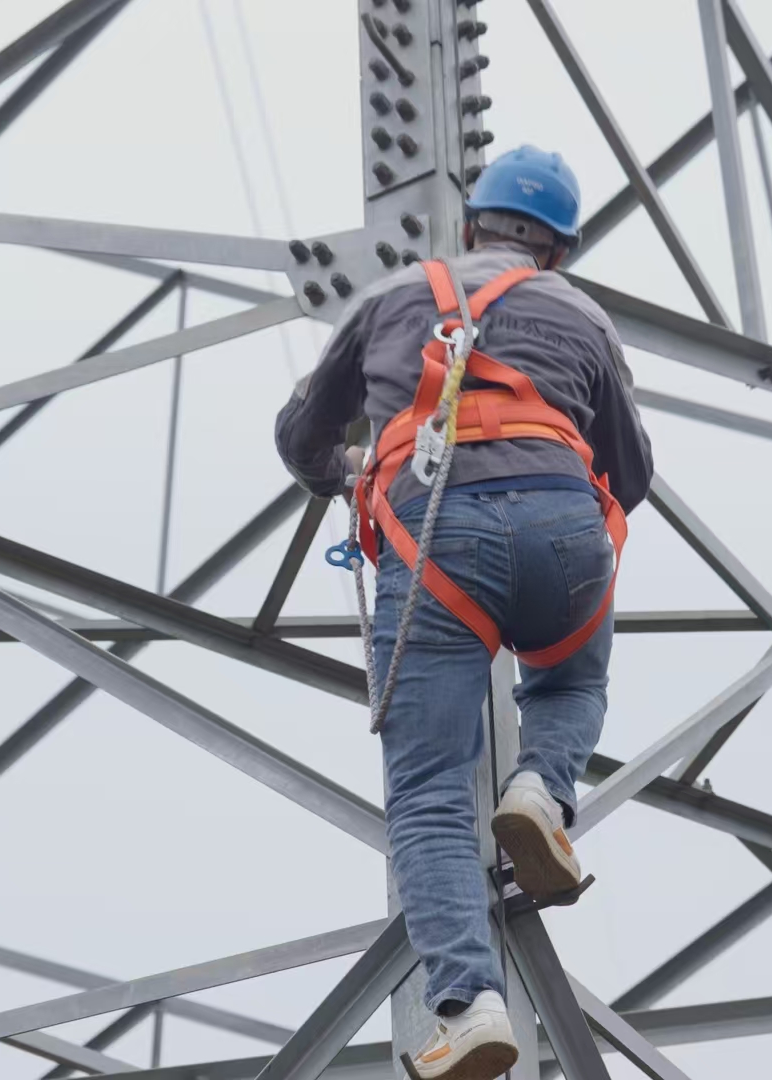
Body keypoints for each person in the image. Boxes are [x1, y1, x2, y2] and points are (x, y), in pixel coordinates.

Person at [275, 145, 653, 1080]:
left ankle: (470, 1006)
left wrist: (342, 477)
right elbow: (633, 474)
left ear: (474, 224)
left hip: (432, 539)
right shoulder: (582, 315)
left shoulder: (395, 298)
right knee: (569, 678)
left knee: (431, 790)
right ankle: (540, 792)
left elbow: (301, 435)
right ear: (558, 249)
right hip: (562, 524)